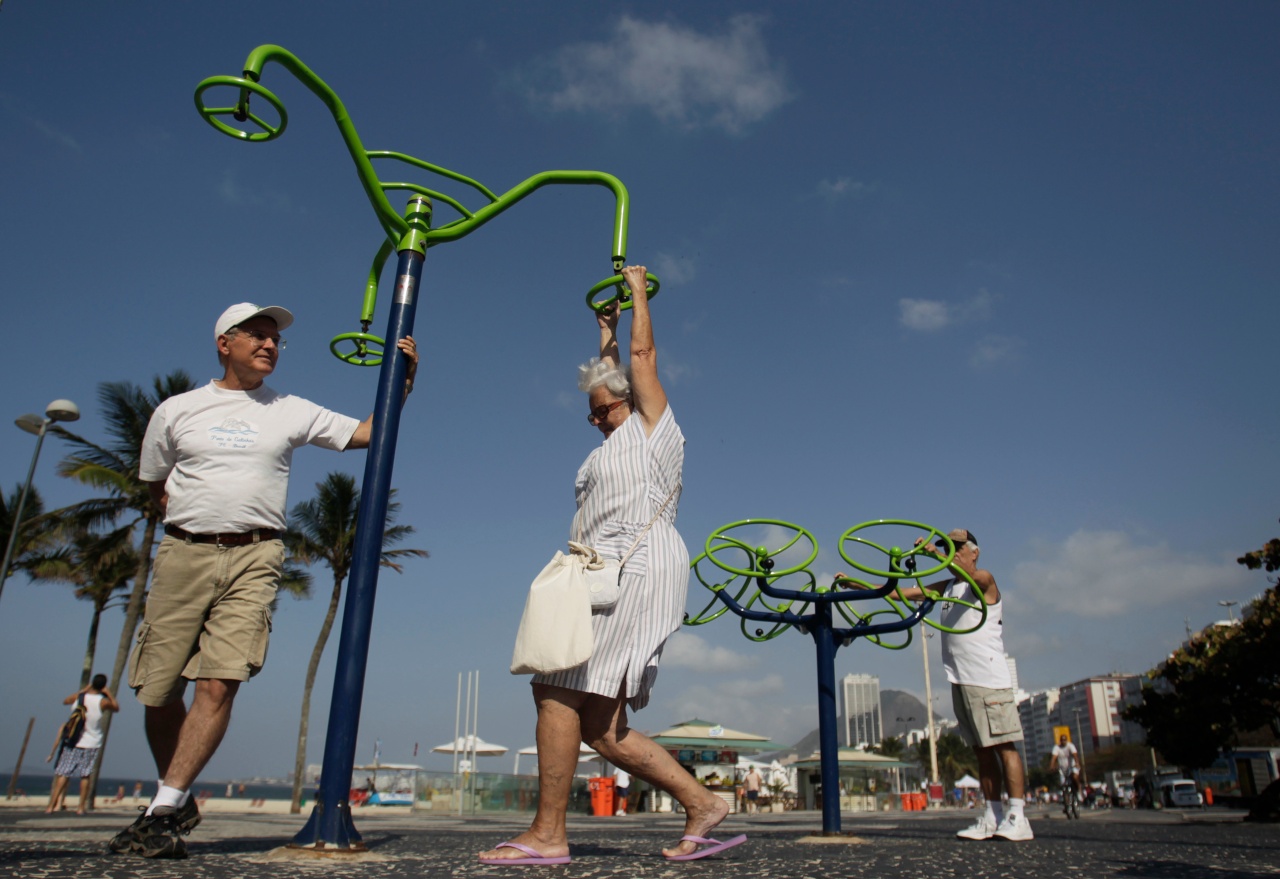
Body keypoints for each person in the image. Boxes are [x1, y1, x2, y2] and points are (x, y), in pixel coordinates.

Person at [108, 302, 418, 859]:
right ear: (223, 343)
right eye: (257, 335)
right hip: (183, 552)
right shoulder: (177, 410)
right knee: (157, 691)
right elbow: (155, 485)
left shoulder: (289, 409)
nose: (270, 345)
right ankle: (174, 793)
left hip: (256, 554)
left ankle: (162, 806)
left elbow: (369, 434)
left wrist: (403, 382)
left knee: (220, 681)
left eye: (275, 339)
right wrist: (191, 528)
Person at [479, 266, 745, 865]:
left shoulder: (655, 431)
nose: (595, 419)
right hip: (605, 572)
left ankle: (548, 834)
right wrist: (606, 326)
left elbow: (641, 361)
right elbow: (612, 373)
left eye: (604, 411)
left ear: (631, 403)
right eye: (591, 414)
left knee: (555, 684)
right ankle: (703, 803)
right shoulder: (613, 439)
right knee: (601, 724)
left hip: (637, 569)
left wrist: (640, 295)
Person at [839, 528, 1032, 841]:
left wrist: (935, 555)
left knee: (1004, 746)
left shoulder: (984, 580)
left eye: (958, 548)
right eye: (948, 548)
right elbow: (898, 593)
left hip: (988, 678)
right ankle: (993, 814)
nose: (953, 553)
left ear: (974, 552)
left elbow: (966, 573)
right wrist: (856, 585)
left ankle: (1018, 815)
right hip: (961, 678)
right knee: (982, 750)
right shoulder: (946, 587)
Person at [46, 674, 119, 815]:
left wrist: (83, 691)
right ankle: (80, 807)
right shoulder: (102, 701)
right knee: (85, 775)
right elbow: (115, 707)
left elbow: (65, 701)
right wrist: (109, 692)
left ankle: (51, 805)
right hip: (91, 742)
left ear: (92, 683)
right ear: (103, 685)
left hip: (73, 740)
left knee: (63, 773)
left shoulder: (80, 698)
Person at [1050, 734, 1080, 801]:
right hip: (1062, 768)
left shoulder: (1070, 746)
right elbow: (1053, 758)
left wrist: (1077, 763)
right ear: (1060, 741)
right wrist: (1052, 766)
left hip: (1072, 766)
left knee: (1075, 777)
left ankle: (1078, 791)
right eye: (1062, 740)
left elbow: (1075, 755)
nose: (1063, 741)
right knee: (1063, 785)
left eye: (1065, 740)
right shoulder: (1057, 747)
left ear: (1066, 740)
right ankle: (1066, 802)